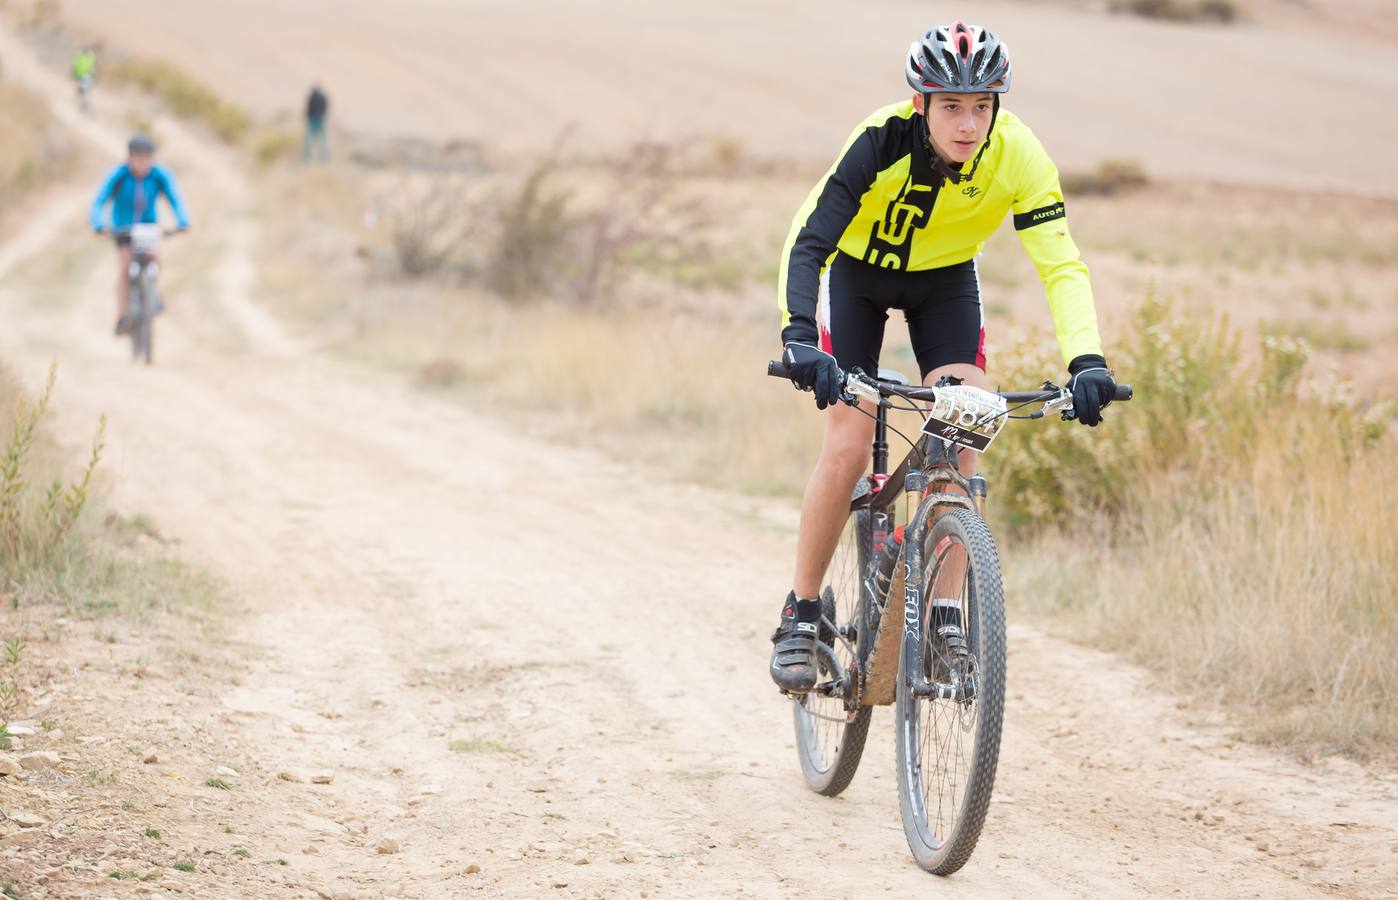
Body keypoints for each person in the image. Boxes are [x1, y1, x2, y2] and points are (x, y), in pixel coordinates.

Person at [768, 22, 1117, 692]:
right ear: (921, 103)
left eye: (982, 106)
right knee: (848, 439)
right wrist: (799, 338)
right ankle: (802, 613)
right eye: (951, 106)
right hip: (855, 275)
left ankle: (945, 615)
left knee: (965, 433)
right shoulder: (880, 140)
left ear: (998, 107)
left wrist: (1087, 361)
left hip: (945, 282)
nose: (968, 123)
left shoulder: (1019, 156)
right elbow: (811, 240)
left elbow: (1061, 266)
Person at [89, 134, 190, 335]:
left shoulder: (159, 175)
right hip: (123, 228)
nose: (142, 163)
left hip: (148, 227)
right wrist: (99, 224)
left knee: (154, 258)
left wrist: (182, 222)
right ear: (129, 157)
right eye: (138, 158)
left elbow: (175, 199)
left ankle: (152, 294)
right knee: (125, 266)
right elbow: (99, 201)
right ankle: (121, 316)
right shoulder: (118, 175)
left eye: (146, 159)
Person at [303, 83, 330, 164]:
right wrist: (323, 115)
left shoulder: (311, 96)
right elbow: (326, 106)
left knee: (308, 140)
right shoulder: (322, 97)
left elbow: (308, 108)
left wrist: (308, 116)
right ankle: (324, 158)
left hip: (312, 119)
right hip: (320, 119)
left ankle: (306, 157)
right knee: (322, 139)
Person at [71, 45, 96, 111]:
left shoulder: (83, 57)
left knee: (84, 90)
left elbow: (74, 65)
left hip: (85, 76)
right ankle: (84, 104)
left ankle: (85, 105)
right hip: (84, 76)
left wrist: (73, 72)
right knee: (83, 90)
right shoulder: (89, 57)